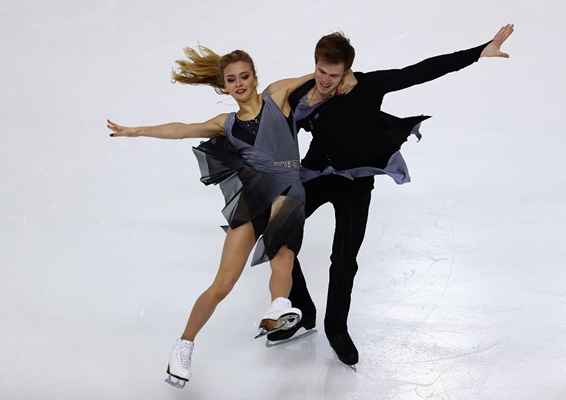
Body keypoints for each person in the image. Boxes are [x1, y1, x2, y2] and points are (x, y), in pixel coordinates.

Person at [266, 24, 515, 367]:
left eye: (332, 74)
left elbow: (422, 70)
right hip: (316, 175)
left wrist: (478, 52)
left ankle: (335, 327)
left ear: (347, 70)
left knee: (343, 260)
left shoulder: (370, 86)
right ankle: (302, 311)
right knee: (273, 232)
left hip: (357, 183)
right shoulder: (306, 92)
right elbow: (272, 121)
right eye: (320, 71)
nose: (324, 79)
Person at [107, 46, 351, 387]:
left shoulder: (277, 96)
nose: (239, 84)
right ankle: (184, 344)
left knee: (283, 255)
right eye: (231, 80)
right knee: (222, 285)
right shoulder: (226, 124)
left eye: (244, 76)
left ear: (255, 76)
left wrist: (344, 78)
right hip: (253, 201)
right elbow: (182, 129)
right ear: (224, 87)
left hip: (289, 192)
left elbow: (319, 76)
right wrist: (137, 131)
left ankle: (278, 305)